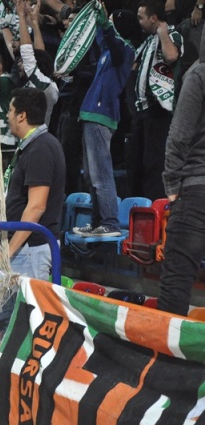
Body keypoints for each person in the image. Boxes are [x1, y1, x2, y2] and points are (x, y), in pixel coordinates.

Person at [0, 87, 65, 332]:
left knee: (24, 326)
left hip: (31, 250)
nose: (7, 116)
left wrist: (7, 251)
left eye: (10, 110)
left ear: (21, 116)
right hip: (25, 249)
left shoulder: (41, 148)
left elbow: (36, 207)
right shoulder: (33, 146)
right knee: (10, 323)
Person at [73, 7, 136, 237]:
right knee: (91, 175)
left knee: (101, 174)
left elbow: (112, 41)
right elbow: (101, 37)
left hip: (102, 116)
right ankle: (98, 221)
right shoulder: (107, 52)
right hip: (90, 115)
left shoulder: (125, 51)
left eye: (111, 21)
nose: (107, 22)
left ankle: (110, 223)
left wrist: (106, 26)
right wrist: (96, 20)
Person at [158, 43, 205, 316]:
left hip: (196, 191)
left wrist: (172, 187)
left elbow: (179, 136)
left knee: (176, 285)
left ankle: (168, 348)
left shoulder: (199, 75)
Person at [128, 0, 183, 200]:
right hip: (141, 111)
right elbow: (133, 65)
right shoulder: (147, 42)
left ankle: (155, 207)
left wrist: (162, 32)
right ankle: (136, 205)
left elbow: (171, 56)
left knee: (153, 163)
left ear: (153, 18)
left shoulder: (172, 35)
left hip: (159, 110)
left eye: (141, 17)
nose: (139, 22)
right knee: (135, 163)